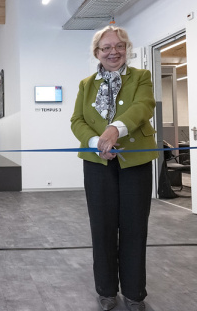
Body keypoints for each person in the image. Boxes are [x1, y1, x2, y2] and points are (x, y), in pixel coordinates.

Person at [70, 26, 158, 311]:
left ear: (127, 49)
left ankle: (134, 293)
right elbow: (77, 121)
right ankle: (106, 290)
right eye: (106, 47)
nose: (113, 52)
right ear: (97, 52)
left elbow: (143, 106)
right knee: (103, 227)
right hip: (97, 164)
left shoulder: (142, 77)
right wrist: (96, 141)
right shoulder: (86, 84)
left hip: (136, 162)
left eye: (119, 46)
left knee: (134, 228)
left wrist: (114, 130)